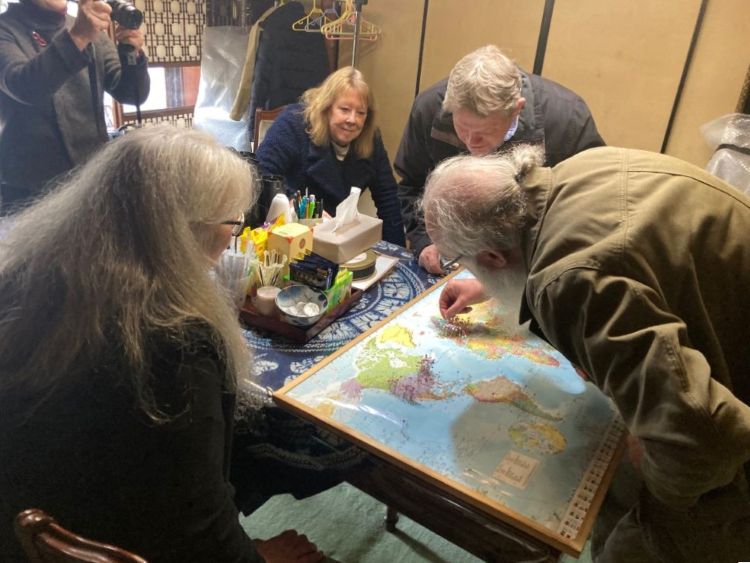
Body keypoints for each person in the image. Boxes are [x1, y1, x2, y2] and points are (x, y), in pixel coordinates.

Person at [0, 125, 323, 563]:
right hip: (110, 535)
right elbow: (199, 530)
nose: (231, 236)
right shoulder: (177, 342)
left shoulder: (24, 273)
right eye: (231, 223)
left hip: (26, 513)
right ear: (182, 232)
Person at [422, 145, 750, 562]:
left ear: (492, 256)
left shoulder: (570, 282)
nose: (465, 269)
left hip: (728, 441)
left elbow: (703, 443)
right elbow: (602, 250)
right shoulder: (576, 170)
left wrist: (652, 473)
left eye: (460, 261)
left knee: (632, 544)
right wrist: (491, 282)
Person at [396, 44, 604, 274]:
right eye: (462, 129)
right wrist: (424, 240)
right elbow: (411, 185)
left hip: (530, 262)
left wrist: (531, 267)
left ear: (516, 109)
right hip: (454, 259)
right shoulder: (429, 108)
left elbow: (589, 207)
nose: (471, 143)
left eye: (485, 132)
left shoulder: (567, 119)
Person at [0, 0, 150, 213]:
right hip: (29, 186)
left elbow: (131, 94)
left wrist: (130, 52)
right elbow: (24, 86)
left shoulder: (87, 29)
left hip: (90, 178)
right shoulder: (6, 29)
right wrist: (78, 37)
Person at [256, 66, 406, 246]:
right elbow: (261, 172)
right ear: (327, 107)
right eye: (344, 109)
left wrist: (398, 252)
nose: (352, 120)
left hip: (336, 238)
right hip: (289, 234)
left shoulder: (371, 138)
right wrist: (297, 208)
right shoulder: (293, 122)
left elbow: (388, 199)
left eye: (361, 113)